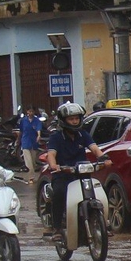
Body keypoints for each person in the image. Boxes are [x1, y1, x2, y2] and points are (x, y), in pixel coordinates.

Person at [39, 101, 95, 238]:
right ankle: (57, 227)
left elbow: (95, 148)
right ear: (64, 121)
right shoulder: (56, 137)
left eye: (76, 118)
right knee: (59, 193)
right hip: (63, 174)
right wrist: (54, 165)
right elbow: (51, 154)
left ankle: (101, 221)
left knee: (96, 189)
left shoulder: (83, 135)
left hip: (81, 173)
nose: (75, 122)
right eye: (71, 119)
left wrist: (105, 159)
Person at [18, 106, 42, 175]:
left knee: (33, 161)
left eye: (32, 111)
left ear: (34, 112)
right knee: (28, 161)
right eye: (29, 111)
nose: (31, 113)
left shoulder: (37, 121)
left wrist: (39, 135)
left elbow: (38, 129)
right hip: (25, 141)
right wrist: (18, 140)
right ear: (27, 111)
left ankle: (32, 173)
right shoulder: (23, 120)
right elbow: (21, 131)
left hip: (34, 142)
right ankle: (31, 177)